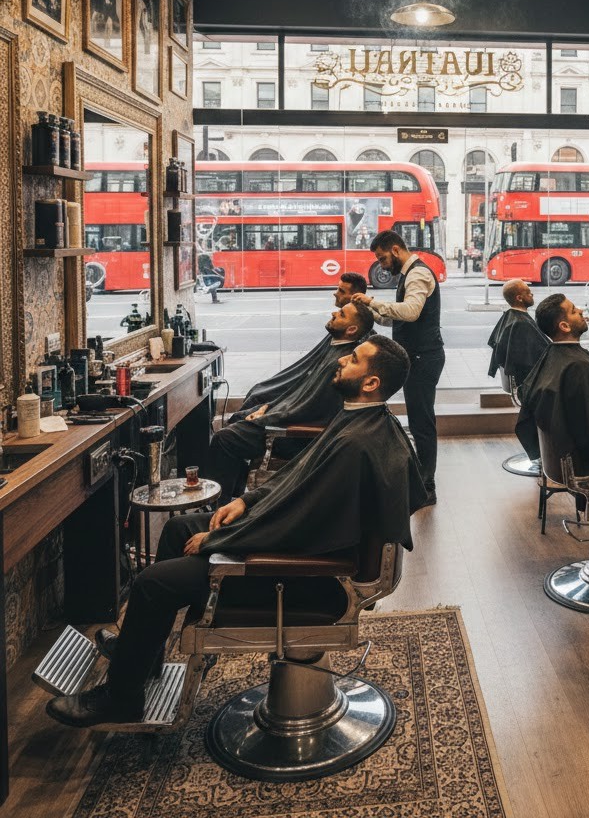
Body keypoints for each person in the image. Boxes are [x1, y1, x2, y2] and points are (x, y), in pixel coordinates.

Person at [47, 335, 427, 728]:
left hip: (302, 576)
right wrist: (247, 501)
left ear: (370, 383)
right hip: (297, 546)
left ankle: (121, 699)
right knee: (178, 528)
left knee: (151, 583)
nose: (342, 360)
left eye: (354, 359)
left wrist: (222, 541)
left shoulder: (355, 442)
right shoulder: (359, 421)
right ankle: (143, 656)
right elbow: (295, 484)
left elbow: (300, 524)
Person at [206, 302, 374, 501]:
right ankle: (232, 497)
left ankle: (218, 506)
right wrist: (266, 407)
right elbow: (300, 392)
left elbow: (309, 408)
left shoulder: (337, 363)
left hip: (294, 436)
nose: (334, 312)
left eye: (342, 314)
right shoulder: (335, 349)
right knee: (237, 418)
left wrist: (265, 416)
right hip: (287, 417)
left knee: (223, 439)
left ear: (352, 329)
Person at [353, 231, 444, 507]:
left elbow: (411, 311)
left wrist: (372, 302)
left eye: (382, 258)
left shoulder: (418, 274)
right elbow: (399, 319)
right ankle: (421, 478)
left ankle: (427, 487)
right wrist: (373, 315)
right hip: (416, 356)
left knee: (422, 423)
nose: (381, 264)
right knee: (419, 420)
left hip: (423, 357)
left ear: (395, 249)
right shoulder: (408, 274)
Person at [230, 272, 368, 421]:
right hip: (304, 385)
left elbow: (319, 397)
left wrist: (271, 409)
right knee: (257, 391)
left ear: (356, 296)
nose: (335, 294)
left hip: (304, 393)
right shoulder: (340, 329)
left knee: (257, 397)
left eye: (341, 291)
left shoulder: (354, 340)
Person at [515, 294, 589, 474]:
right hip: (579, 462)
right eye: (573, 310)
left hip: (554, 458)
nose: (580, 311)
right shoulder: (579, 366)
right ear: (564, 326)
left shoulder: (550, 356)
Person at [486, 279, 549, 389]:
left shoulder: (509, 317)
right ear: (519, 298)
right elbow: (541, 354)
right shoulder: (521, 324)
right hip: (530, 382)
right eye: (528, 292)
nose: (532, 294)